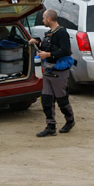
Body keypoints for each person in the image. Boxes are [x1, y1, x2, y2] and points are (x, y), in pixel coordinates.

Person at [31, 9, 75, 137]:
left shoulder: (62, 33)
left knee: (62, 100)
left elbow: (65, 51)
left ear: (49, 19)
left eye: (44, 18)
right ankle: (50, 127)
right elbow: (47, 47)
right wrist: (37, 42)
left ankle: (70, 121)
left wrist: (48, 54)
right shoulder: (49, 33)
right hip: (48, 72)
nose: (43, 20)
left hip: (59, 72)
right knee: (46, 100)